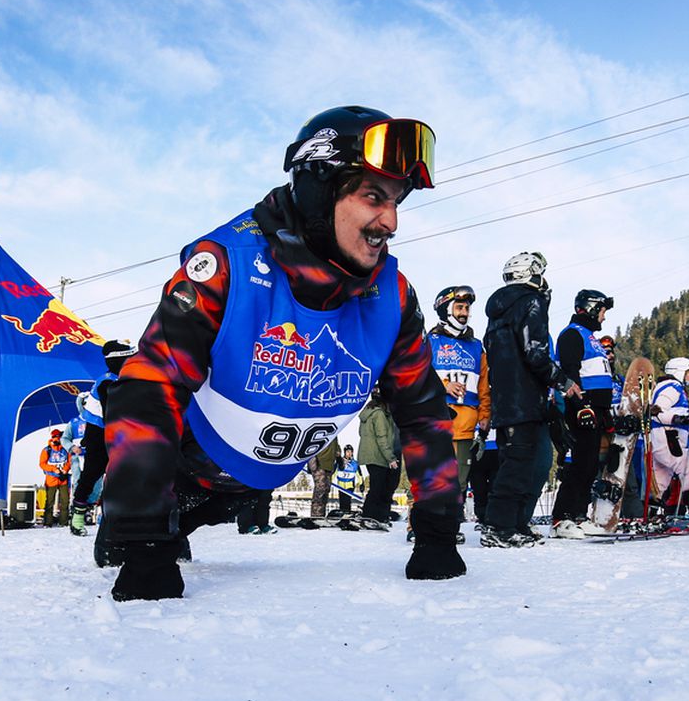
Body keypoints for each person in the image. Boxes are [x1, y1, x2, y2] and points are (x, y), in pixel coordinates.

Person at [100, 105, 464, 602]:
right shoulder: (227, 263)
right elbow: (149, 386)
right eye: (374, 197)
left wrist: (437, 534)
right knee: (134, 539)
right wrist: (144, 540)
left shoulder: (394, 296)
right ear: (321, 190)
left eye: (397, 201)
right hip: (185, 464)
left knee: (218, 503)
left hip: (256, 480)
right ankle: (133, 521)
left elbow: (423, 413)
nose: (391, 221)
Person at [481, 252, 581, 547]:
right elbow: (535, 352)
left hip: (505, 399)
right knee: (520, 465)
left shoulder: (496, 314)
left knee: (516, 462)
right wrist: (564, 381)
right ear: (532, 274)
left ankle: (513, 524)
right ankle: (500, 527)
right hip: (525, 399)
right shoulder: (530, 302)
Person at [551, 289, 615, 538]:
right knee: (579, 463)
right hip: (582, 407)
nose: (604, 317)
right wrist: (581, 406)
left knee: (589, 465)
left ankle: (578, 515)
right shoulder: (572, 334)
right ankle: (561, 518)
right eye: (602, 311)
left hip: (596, 408)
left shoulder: (592, 338)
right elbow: (569, 372)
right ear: (590, 309)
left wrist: (604, 410)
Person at [428, 286, 492, 520]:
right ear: (446, 310)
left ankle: (449, 526)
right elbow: (416, 373)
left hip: (466, 426)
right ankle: (419, 527)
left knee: (459, 482)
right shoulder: (430, 341)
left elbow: (484, 386)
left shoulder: (476, 346)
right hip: (436, 423)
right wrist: (444, 385)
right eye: (459, 307)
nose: (465, 312)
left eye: (467, 308)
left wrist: (485, 416)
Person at [71, 340, 136, 536]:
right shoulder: (107, 381)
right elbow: (111, 412)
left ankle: (120, 516)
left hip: (115, 433)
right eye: (128, 358)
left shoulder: (124, 379)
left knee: (123, 476)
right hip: (99, 435)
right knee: (91, 475)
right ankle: (77, 518)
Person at [650, 357, 689, 514]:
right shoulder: (672, 386)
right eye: (687, 373)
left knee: (661, 479)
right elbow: (656, 411)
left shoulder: (671, 387)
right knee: (687, 471)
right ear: (679, 372)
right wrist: (679, 419)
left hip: (665, 438)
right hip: (670, 437)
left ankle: (652, 512)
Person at [358, 387, 401, 527]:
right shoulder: (379, 415)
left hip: (369, 455)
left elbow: (361, 434)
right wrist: (391, 458)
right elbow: (382, 438)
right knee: (379, 488)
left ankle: (378, 515)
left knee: (378, 486)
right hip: (378, 456)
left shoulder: (367, 413)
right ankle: (369, 516)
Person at [39, 429, 72, 527]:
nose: (58, 439)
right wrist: (53, 469)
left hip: (63, 479)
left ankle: (63, 522)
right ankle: (48, 523)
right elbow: (42, 464)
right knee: (49, 502)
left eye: (59, 437)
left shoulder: (66, 449)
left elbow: (70, 461)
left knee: (65, 501)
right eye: (56, 437)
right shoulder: (46, 450)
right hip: (51, 479)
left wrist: (65, 469)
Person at [307, 439, 339, 518]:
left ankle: (321, 514)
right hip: (319, 463)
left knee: (326, 490)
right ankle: (316, 515)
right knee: (320, 489)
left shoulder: (333, 428)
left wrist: (338, 454)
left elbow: (335, 443)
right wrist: (312, 459)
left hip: (329, 464)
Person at [335, 445, 359, 515]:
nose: (349, 453)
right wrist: (329, 481)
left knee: (347, 501)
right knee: (342, 502)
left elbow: (359, 474)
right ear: (344, 452)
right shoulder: (340, 462)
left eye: (350, 452)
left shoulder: (355, 463)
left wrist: (361, 483)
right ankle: (342, 516)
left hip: (350, 485)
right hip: (341, 485)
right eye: (347, 451)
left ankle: (347, 516)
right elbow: (334, 472)